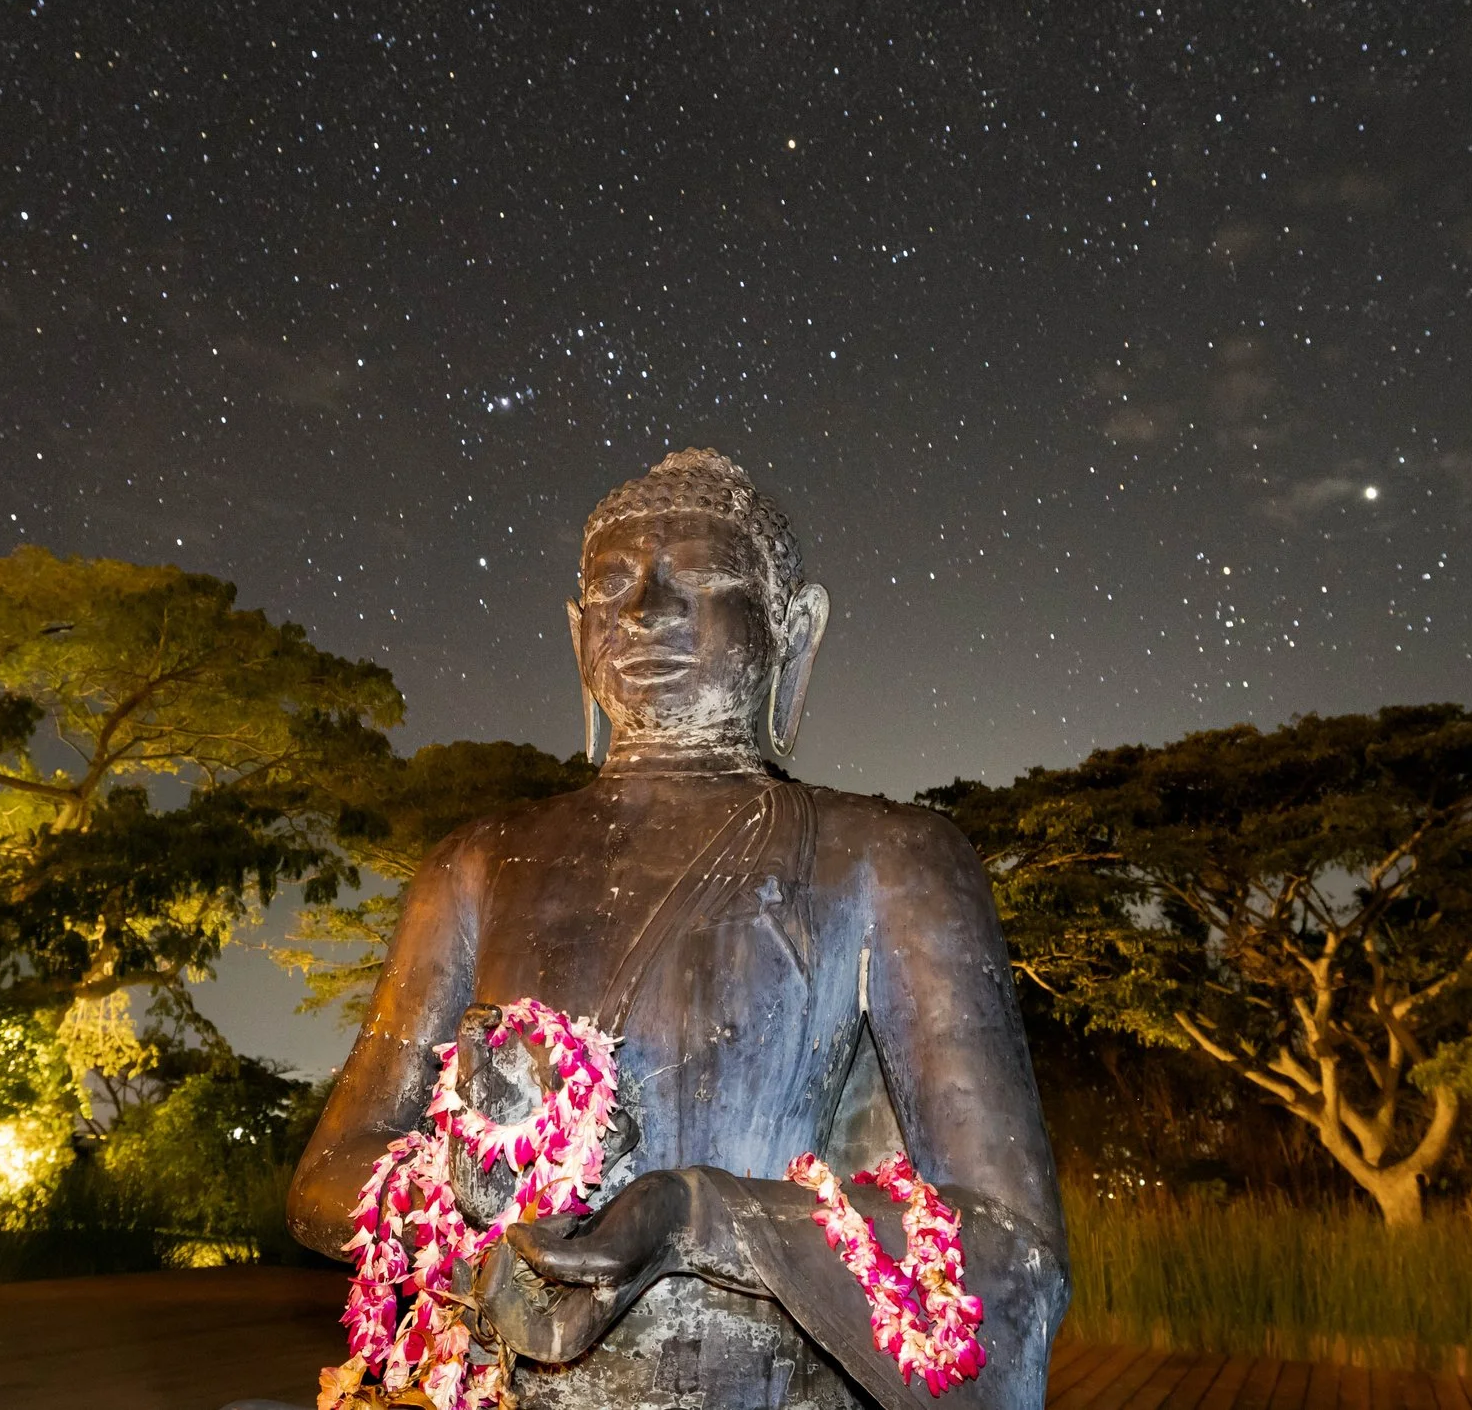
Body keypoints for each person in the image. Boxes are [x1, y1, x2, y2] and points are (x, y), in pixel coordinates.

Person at [288, 449, 1066, 1410]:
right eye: (611, 586)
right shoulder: (477, 863)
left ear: (792, 627)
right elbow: (329, 1175)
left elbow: (1014, 1248)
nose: (647, 611)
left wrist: (702, 1217)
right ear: (577, 632)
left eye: (701, 575)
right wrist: (486, 1196)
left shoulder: (890, 856)